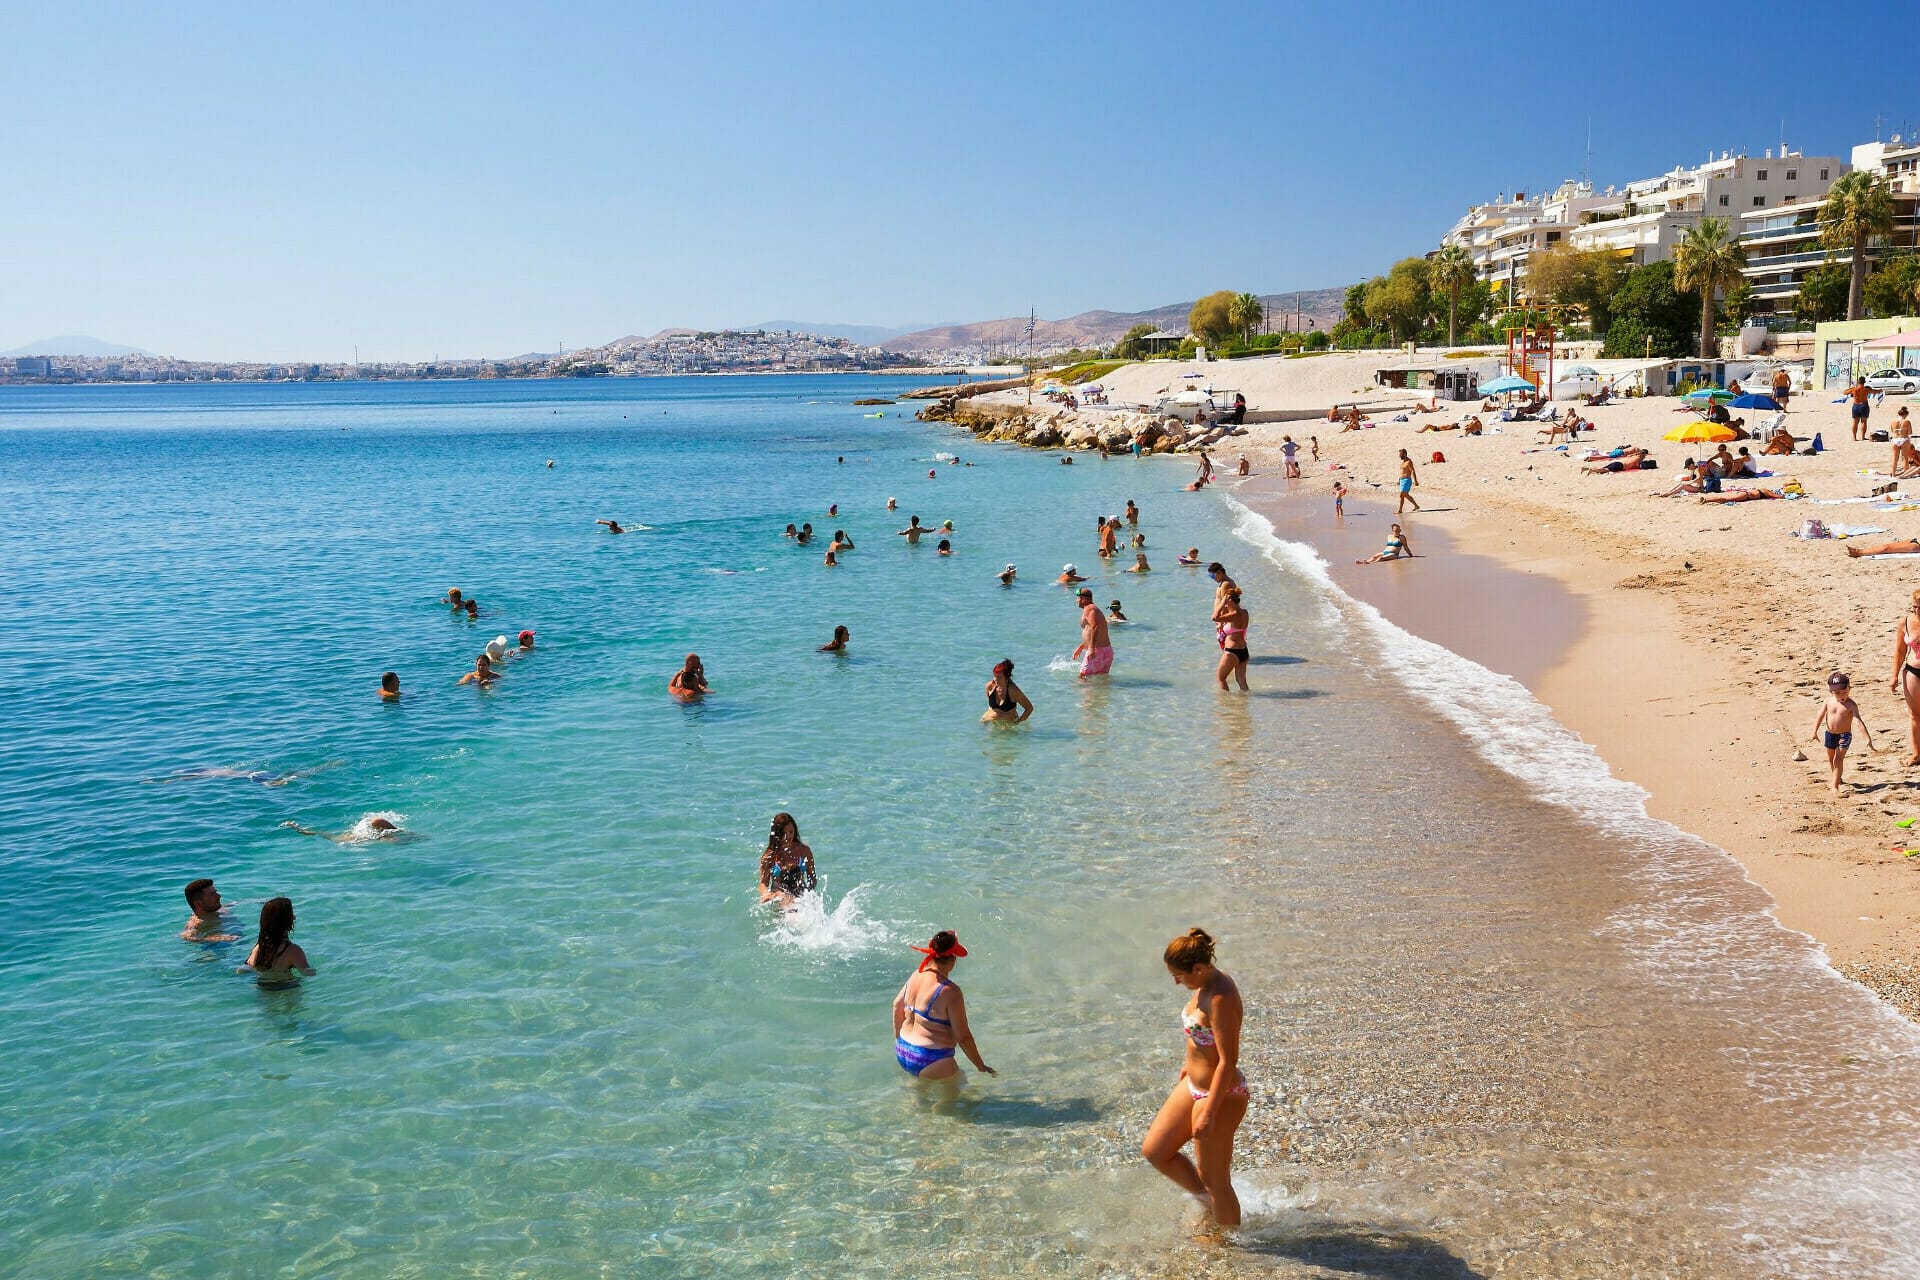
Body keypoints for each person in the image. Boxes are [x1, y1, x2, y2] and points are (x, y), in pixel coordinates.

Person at [1141, 928, 1247, 1228]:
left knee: (1216, 1180)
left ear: (1198, 969)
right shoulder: (1203, 984)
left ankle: (1227, 1242)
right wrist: (1190, 1065)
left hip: (1220, 1094)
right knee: (1156, 1151)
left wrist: (1209, 1113)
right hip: (1193, 1084)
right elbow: (1203, 1038)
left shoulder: (1220, 997)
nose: (1177, 982)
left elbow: (1228, 1061)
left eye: (1179, 976)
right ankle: (1208, 1205)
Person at [892, 931, 994, 1081]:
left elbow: (896, 1005)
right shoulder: (950, 992)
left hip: (903, 1050)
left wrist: (900, 1042)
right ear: (953, 958)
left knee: (919, 1093)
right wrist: (981, 1066)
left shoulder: (916, 975)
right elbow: (964, 1038)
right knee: (961, 1091)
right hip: (932, 1058)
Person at [1812, 672, 1874, 794]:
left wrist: (1867, 737)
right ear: (1830, 691)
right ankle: (1837, 777)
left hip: (1844, 735)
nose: (1842, 695)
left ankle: (1834, 786)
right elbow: (1820, 716)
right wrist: (1814, 731)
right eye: (1837, 693)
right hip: (1830, 734)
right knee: (1830, 758)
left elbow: (1858, 721)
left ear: (1849, 688)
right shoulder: (1828, 702)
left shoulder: (1851, 705)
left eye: (1844, 692)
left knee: (1838, 759)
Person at [245, 897, 313, 986]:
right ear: (285, 921)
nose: (294, 917)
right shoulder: (293, 951)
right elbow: (308, 974)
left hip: (262, 989)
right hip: (288, 989)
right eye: (291, 914)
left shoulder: (258, 949)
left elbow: (241, 970)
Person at [758, 812, 818, 907]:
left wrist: (808, 893)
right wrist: (767, 894)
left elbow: (812, 877)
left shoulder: (804, 850)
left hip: (801, 895)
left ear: (795, 831)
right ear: (777, 834)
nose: (788, 836)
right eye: (783, 833)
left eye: (791, 832)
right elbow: (763, 884)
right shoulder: (769, 856)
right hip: (779, 897)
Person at [1891, 590, 1920, 767]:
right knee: (1915, 715)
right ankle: (1917, 754)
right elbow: (1900, 651)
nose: (1918, 611)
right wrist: (1894, 675)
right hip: (1913, 671)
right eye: (1915, 607)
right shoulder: (1905, 622)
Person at [1214, 587, 1249, 692]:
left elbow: (1214, 617)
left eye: (1226, 602)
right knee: (1241, 681)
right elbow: (1232, 622)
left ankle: (1225, 701)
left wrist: (1222, 603)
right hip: (1244, 650)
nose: (1225, 604)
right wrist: (1226, 606)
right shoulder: (1245, 612)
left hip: (1232, 652)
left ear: (1230, 600)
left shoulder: (1234, 615)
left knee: (1221, 679)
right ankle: (1245, 701)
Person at [1073, 587, 1113, 678]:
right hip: (1104, 650)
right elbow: (1091, 631)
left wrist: (1091, 648)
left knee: (1082, 678)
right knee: (1101, 680)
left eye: (1078, 598)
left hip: (1097, 651)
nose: (1076, 600)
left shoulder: (1089, 609)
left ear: (1083, 599)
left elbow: (1094, 626)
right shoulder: (1092, 609)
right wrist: (1082, 646)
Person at [981, 658, 1033, 724]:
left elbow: (1029, 708)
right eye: (994, 676)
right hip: (989, 720)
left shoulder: (1013, 691)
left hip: (1007, 725)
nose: (995, 679)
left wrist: (1017, 723)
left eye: (999, 677)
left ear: (1007, 677)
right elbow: (990, 706)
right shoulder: (990, 686)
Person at [280, 817, 402, 843]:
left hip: (352, 838)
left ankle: (299, 830)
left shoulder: (373, 835)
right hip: (358, 837)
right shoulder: (377, 835)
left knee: (326, 835)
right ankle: (299, 830)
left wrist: (298, 829)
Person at [1396, 448, 1420, 513]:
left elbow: (1413, 471)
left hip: (1407, 480)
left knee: (1401, 495)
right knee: (1406, 495)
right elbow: (1402, 472)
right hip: (1402, 480)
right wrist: (1399, 480)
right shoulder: (1403, 462)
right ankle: (1416, 506)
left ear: (1404, 454)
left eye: (1400, 455)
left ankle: (1400, 510)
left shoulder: (1409, 462)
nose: (1399, 456)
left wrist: (1415, 481)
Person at [1850, 375, 1874, 441]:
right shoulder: (1866, 389)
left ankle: (1854, 438)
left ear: (1858, 382)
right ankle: (1863, 437)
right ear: (1864, 382)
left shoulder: (1854, 389)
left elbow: (1845, 392)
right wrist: (1880, 391)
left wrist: (1851, 389)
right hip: (1864, 405)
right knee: (1864, 422)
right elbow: (1874, 391)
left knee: (1855, 422)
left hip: (1856, 405)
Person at [1894, 407, 1914, 475]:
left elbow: (1892, 431)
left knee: (1894, 458)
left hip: (1895, 440)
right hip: (1904, 439)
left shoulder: (1893, 421)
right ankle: (1906, 473)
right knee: (1905, 458)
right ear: (1906, 414)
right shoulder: (1907, 421)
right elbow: (1909, 433)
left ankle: (1893, 474)